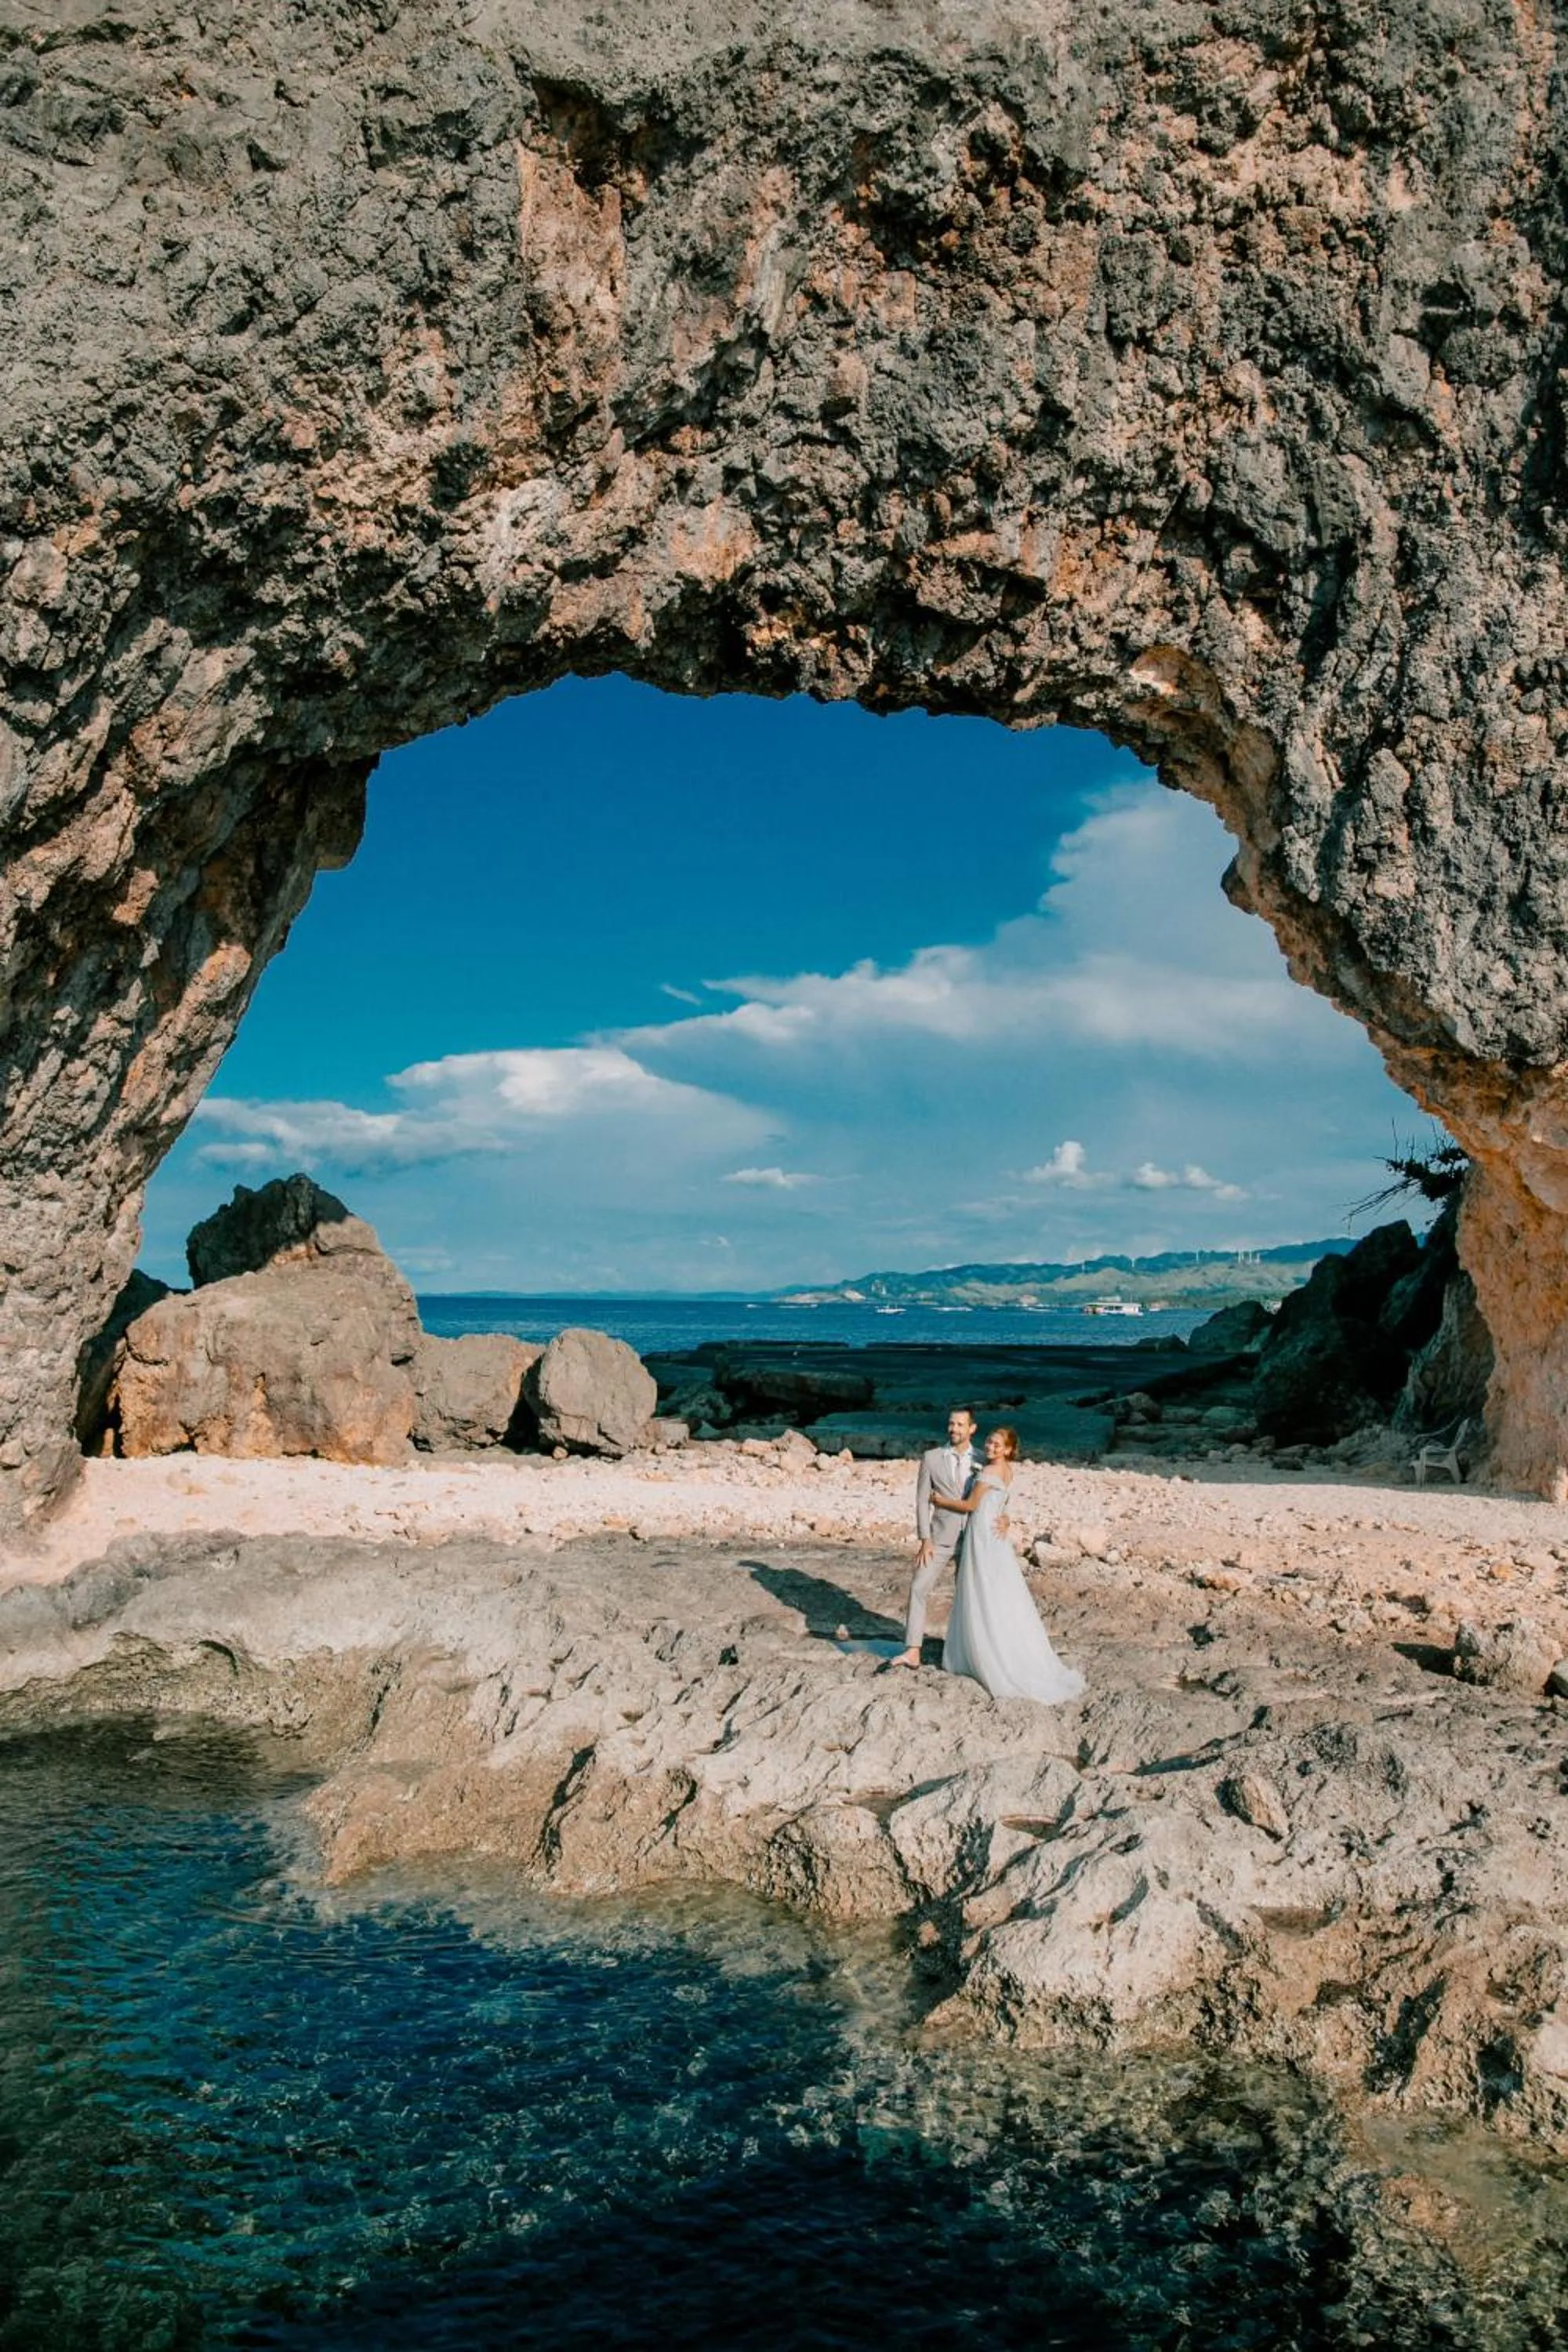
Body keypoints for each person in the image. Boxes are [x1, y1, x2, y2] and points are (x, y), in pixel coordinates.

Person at [931, 1428, 1086, 1704]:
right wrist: (1006, 1519)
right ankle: (1000, 1647)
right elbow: (1001, 1502)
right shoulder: (1007, 1472)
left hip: (982, 1534)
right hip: (994, 1536)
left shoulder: (989, 1472)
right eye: (989, 1441)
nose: (990, 1446)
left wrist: (939, 1500)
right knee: (997, 1589)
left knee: (980, 1588)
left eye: (997, 1444)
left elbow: (969, 1506)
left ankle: (984, 1655)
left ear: (1008, 1450)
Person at [888, 1407, 979, 1669]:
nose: (954, 1429)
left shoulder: (984, 1458)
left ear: (972, 1428)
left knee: (969, 1595)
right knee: (918, 1587)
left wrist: (1004, 1519)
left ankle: (968, 1653)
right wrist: (924, 1538)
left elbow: (995, 1492)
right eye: (951, 1424)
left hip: (973, 1538)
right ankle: (913, 1650)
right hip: (938, 1538)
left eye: (960, 1425)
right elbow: (920, 1501)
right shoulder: (931, 1458)